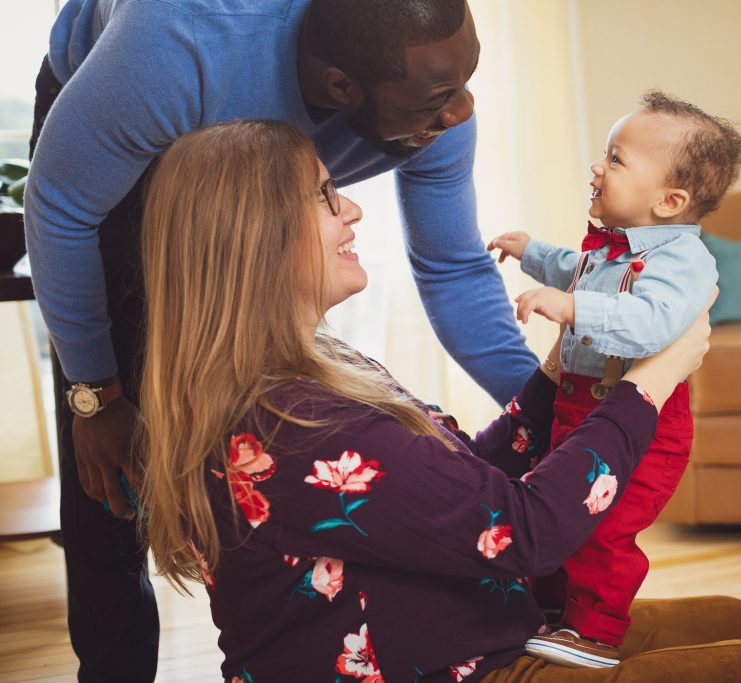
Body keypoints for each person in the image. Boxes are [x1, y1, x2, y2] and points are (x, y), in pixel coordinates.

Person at [139, 120, 741, 683]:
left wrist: (564, 373)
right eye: (325, 196)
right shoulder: (293, 425)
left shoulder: (312, 373)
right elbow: (520, 527)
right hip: (461, 667)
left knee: (731, 620)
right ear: (256, 241)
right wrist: (647, 385)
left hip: (484, 627)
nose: (351, 213)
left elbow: (458, 485)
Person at [24, 1, 534, 679]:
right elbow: (60, 207)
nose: (462, 112)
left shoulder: (428, 87)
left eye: (467, 81)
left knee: (267, 393)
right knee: (114, 464)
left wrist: (555, 406)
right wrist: (94, 393)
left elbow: (452, 267)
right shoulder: (177, 46)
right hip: (117, 110)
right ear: (340, 87)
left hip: (260, 123)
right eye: (442, 97)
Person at [486, 90, 741, 667]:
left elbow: (652, 324)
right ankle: (551, 611)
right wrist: (530, 252)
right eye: (605, 154)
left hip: (645, 430)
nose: (598, 166)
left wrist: (571, 309)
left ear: (670, 200)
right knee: (558, 509)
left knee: (604, 530)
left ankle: (596, 632)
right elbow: (571, 268)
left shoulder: (683, 262)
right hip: (579, 412)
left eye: (617, 159)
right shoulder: (609, 248)